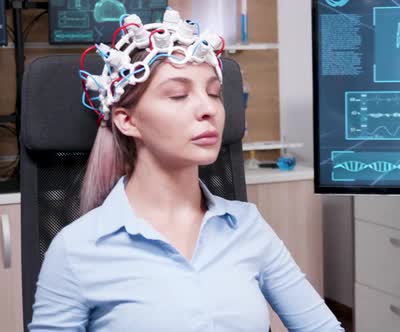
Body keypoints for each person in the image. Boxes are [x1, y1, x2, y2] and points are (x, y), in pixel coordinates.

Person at [28, 8, 344, 332]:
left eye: (213, 93)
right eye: (178, 95)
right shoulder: (77, 249)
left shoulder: (248, 226)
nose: (208, 109)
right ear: (127, 120)